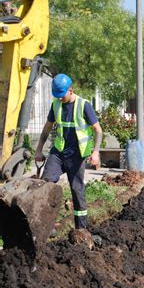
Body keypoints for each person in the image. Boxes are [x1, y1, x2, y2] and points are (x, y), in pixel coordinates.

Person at [34, 74, 102, 230]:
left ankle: (81, 229)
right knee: (46, 184)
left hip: (77, 155)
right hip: (58, 153)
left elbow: (98, 130)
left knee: (77, 190)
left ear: (70, 90)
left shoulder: (84, 105)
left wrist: (96, 152)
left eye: (62, 95)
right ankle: (46, 226)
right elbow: (47, 128)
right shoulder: (56, 104)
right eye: (57, 95)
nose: (60, 98)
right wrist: (38, 150)